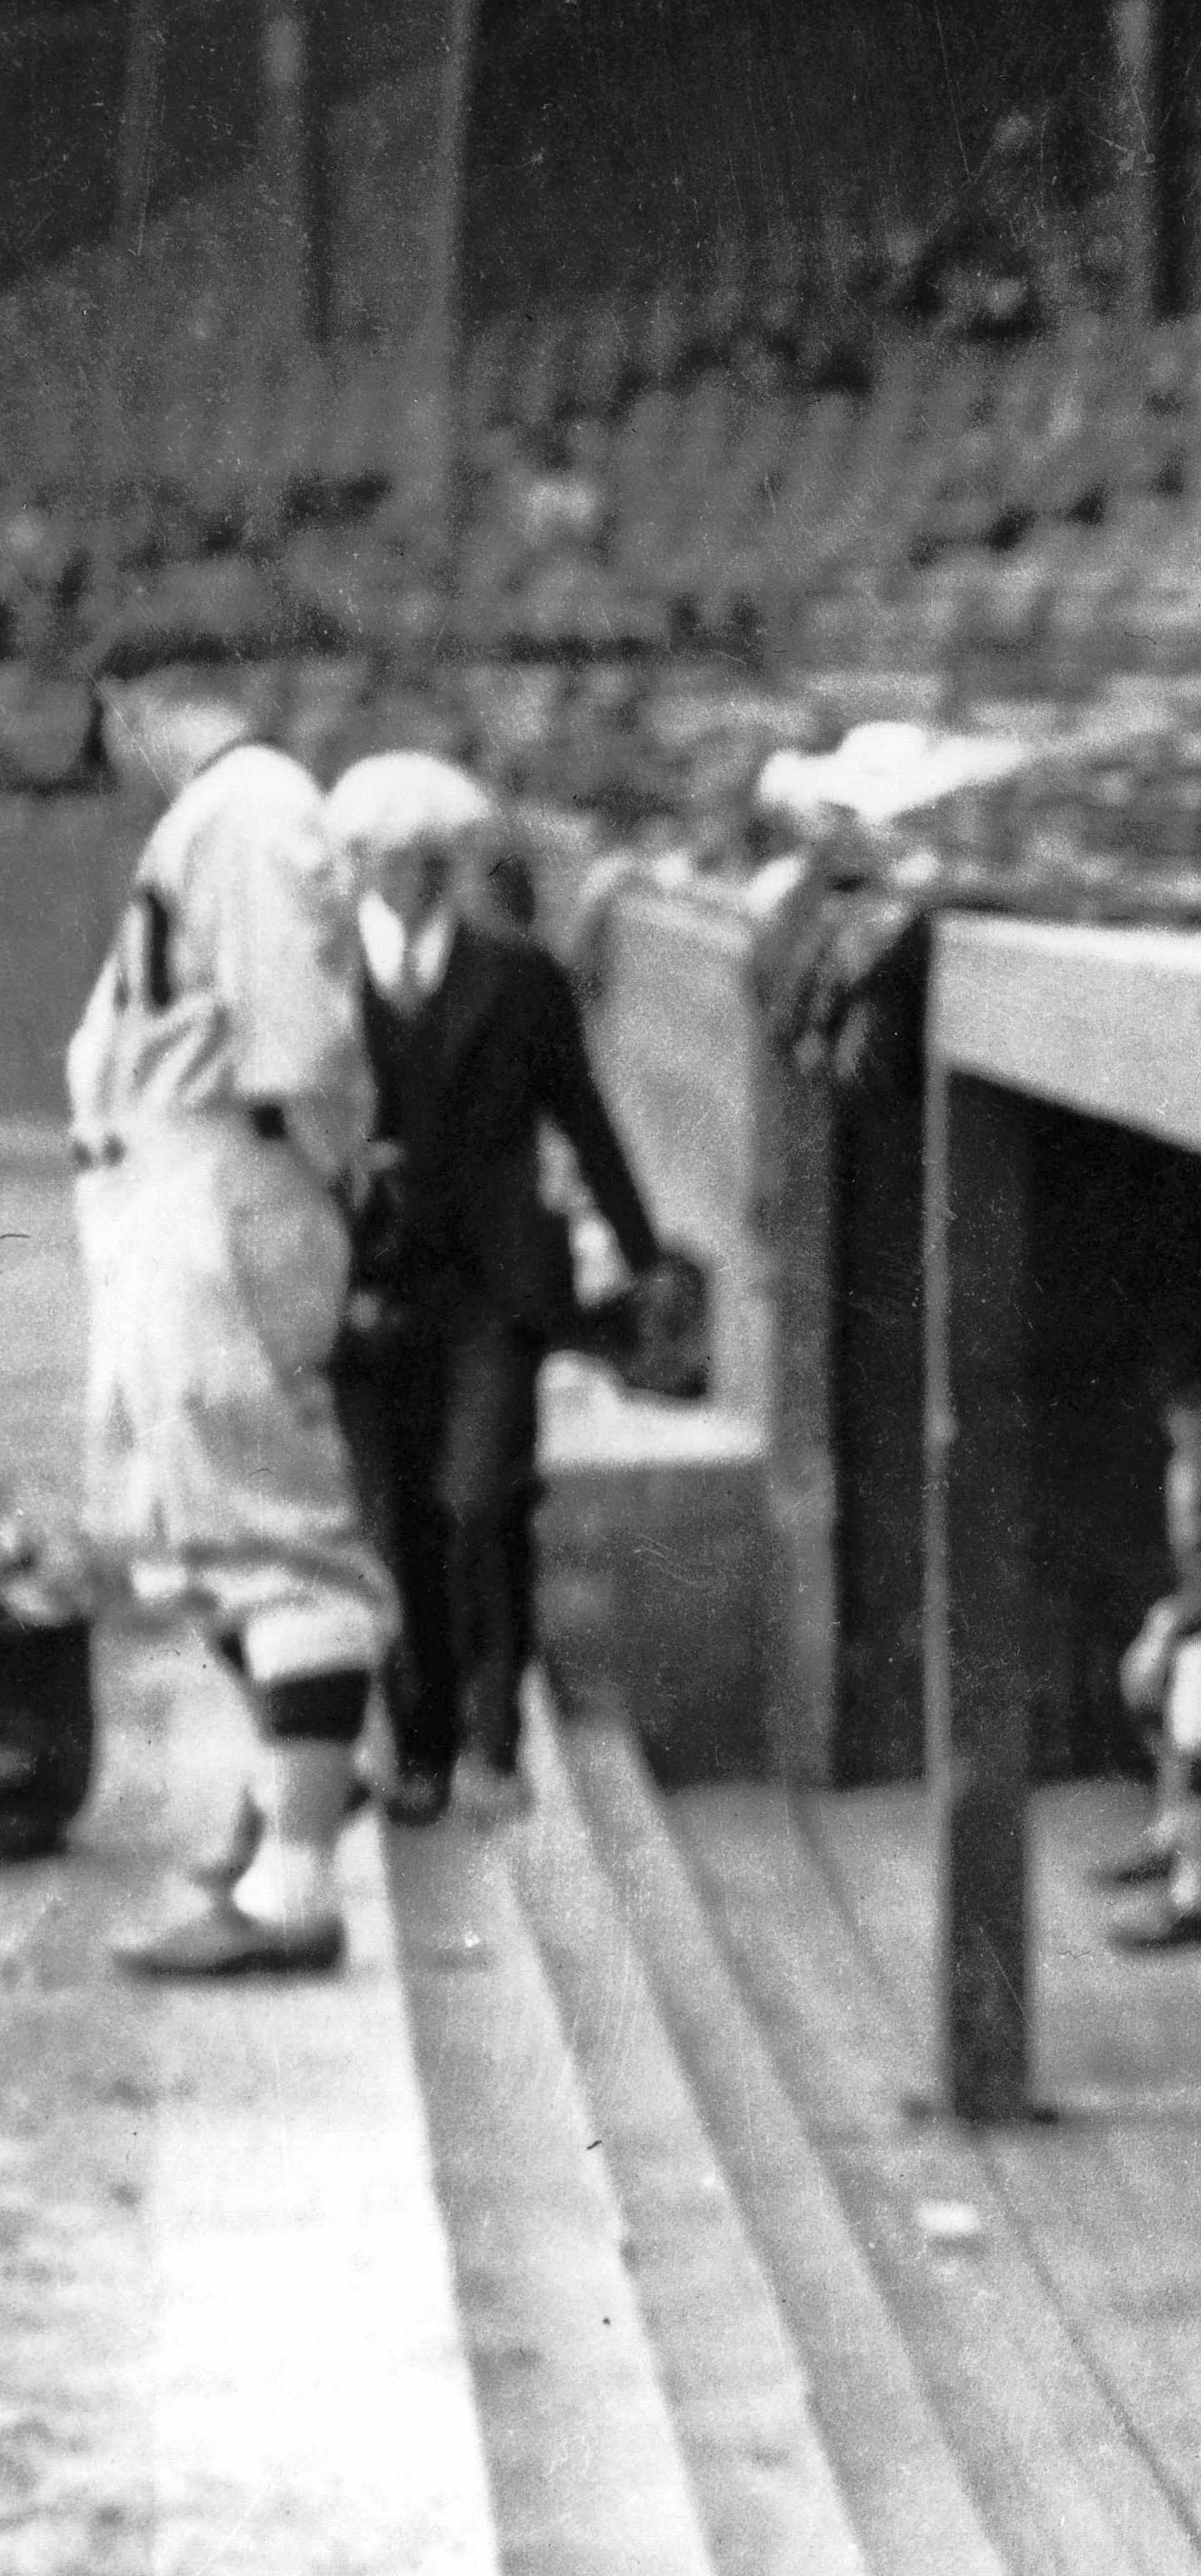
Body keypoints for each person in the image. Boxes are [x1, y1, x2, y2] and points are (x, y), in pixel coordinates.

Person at [69, 649, 393, 1977]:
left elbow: (302, 1044)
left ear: (134, 704)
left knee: (269, 1534)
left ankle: (294, 1889)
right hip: (168, 1197)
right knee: (178, 1528)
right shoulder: (218, 810)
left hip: (220, 1191)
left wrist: (293, 1190)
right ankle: (304, 1783)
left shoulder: (253, 802)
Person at [324, 752, 671, 1821]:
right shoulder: (327, 985)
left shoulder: (518, 978)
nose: (410, 876)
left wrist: (642, 1252)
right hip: (371, 1289)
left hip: (496, 1289)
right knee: (399, 1525)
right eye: (388, 858)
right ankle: (422, 1744)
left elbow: (585, 1116)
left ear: (452, 864)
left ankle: (497, 1737)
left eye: (429, 858)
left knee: (482, 1502)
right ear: (360, 867)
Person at [1096, 1372, 1201, 1951]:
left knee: (1200, 1679)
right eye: (1180, 1413)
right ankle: (1171, 1833)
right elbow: (1197, 1580)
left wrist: (1172, 1624)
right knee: (1150, 1673)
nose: (1191, 1425)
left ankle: (1197, 1899)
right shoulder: (1185, 1474)